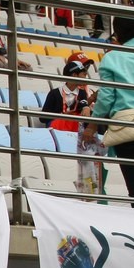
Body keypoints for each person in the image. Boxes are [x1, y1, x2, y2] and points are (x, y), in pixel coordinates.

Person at [81, 16, 134, 203]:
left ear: (120, 32)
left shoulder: (113, 57)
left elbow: (106, 97)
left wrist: (92, 126)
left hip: (128, 128)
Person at [43, 56, 102, 195]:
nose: (86, 76)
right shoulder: (55, 93)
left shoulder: (81, 93)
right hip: (58, 126)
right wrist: (65, 114)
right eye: (83, 73)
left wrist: (88, 102)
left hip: (75, 127)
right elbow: (43, 117)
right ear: (74, 75)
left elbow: (83, 109)